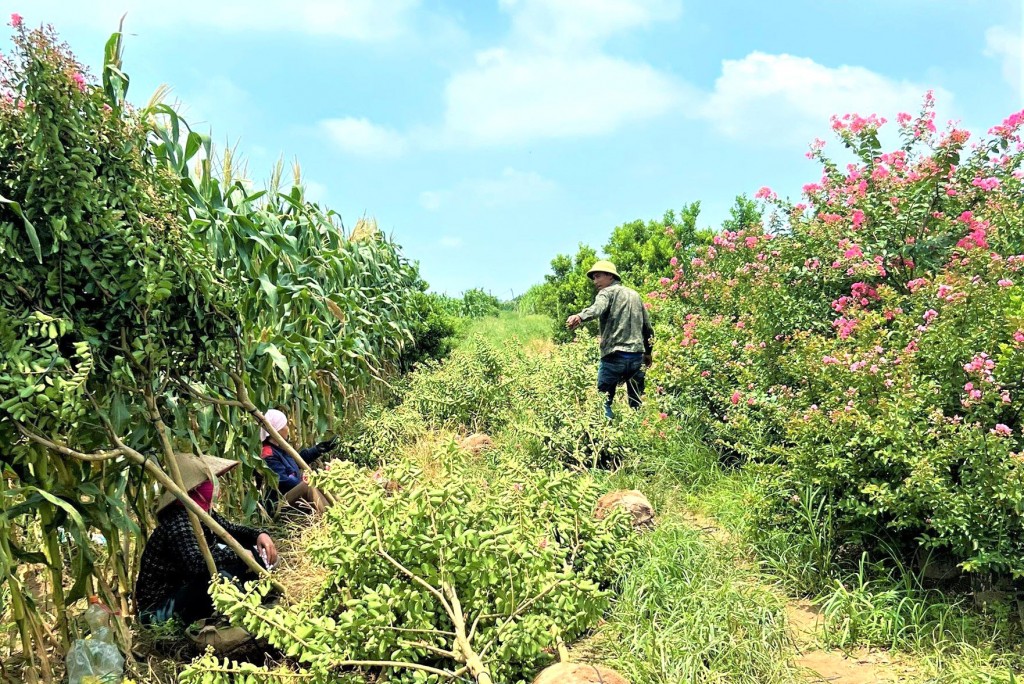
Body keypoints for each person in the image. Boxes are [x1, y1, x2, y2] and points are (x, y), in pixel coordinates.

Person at [135, 452, 278, 628]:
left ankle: (260, 598)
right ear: (193, 489)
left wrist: (259, 535)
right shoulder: (179, 521)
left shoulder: (201, 513)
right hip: (159, 610)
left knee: (252, 554)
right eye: (207, 483)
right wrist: (238, 555)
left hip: (184, 589)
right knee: (217, 580)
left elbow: (230, 530)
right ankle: (245, 615)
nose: (213, 486)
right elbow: (196, 564)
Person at [566, 260, 654, 419]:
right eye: (593, 278)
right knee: (636, 402)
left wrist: (580, 316)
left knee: (603, 402)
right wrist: (648, 353)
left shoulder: (606, 293)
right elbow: (647, 328)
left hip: (614, 357)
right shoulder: (635, 295)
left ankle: (606, 437)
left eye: (598, 276)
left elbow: (597, 308)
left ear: (610, 276)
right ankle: (640, 435)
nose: (595, 281)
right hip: (636, 358)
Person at [259, 409, 335, 515]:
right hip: (279, 504)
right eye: (285, 425)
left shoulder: (280, 447)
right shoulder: (268, 453)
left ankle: (337, 509)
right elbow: (284, 482)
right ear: (277, 430)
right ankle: (330, 518)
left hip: (291, 495)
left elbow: (296, 460)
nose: (287, 428)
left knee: (323, 482)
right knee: (308, 485)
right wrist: (309, 479)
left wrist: (319, 449)